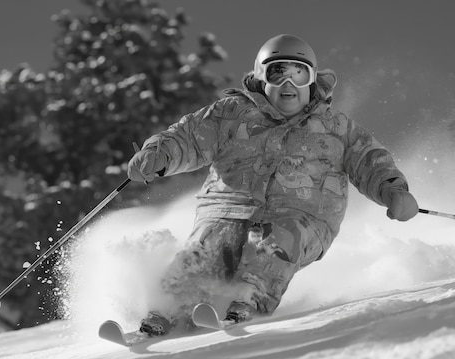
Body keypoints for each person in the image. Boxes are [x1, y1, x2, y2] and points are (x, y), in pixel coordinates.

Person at [127, 34, 419, 335]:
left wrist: (393, 191)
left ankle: (247, 299)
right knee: (207, 244)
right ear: (260, 77)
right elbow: (188, 137)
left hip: (303, 217)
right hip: (227, 211)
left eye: (298, 74)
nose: (288, 85)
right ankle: (168, 309)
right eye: (277, 73)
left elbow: (369, 160)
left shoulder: (337, 128)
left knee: (278, 237)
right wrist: (158, 154)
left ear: (312, 79)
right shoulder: (230, 114)